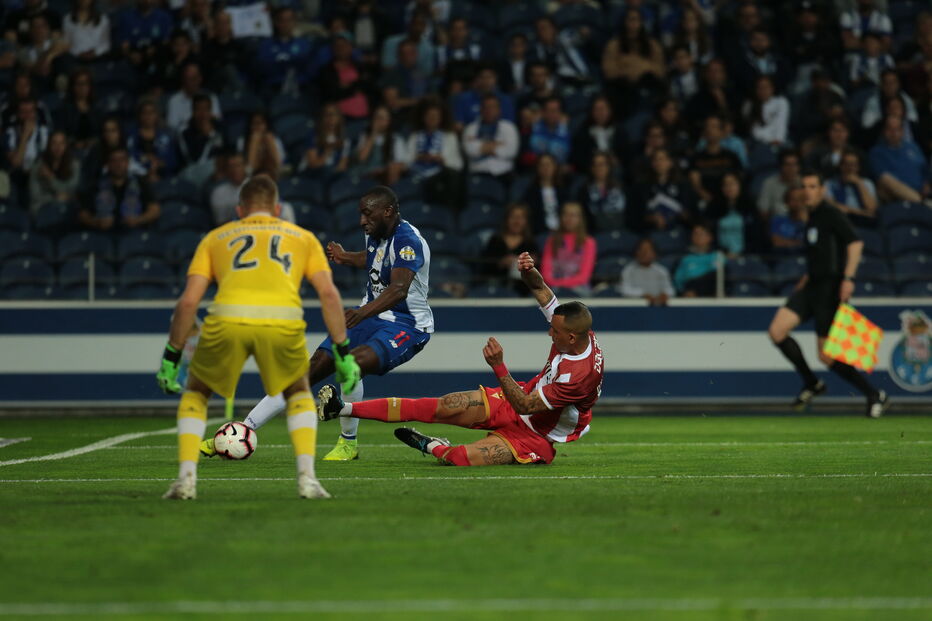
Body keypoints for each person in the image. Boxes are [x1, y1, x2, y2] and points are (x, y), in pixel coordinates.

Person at [156, 174, 361, 500]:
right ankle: (307, 479)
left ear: (240, 210)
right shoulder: (303, 238)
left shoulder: (216, 238)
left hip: (227, 319)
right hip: (282, 321)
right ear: (277, 209)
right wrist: (343, 353)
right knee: (298, 393)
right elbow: (329, 295)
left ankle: (185, 480)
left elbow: (188, 302)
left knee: (196, 394)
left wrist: (171, 356)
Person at [317, 251, 603, 467]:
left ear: (571, 338)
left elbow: (526, 406)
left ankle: (434, 446)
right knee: (441, 406)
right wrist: (529, 271)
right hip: (519, 398)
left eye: (555, 332)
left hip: (536, 434)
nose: (550, 332)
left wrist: (498, 366)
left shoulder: (578, 376)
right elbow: (541, 290)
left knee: (459, 458)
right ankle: (341, 408)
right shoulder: (576, 331)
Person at [212, 186, 434, 463]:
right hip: (372, 317)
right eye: (360, 214)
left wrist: (362, 313)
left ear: (388, 211)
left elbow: (399, 288)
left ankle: (348, 442)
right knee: (310, 369)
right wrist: (346, 257)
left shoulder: (408, 240)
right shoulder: (376, 234)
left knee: (351, 364)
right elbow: (375, 260)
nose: (362, 221)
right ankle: (242, 429)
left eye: (367, 214)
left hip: (406, 324)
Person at [767, 170, 888, 418]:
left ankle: (874, 394)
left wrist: (848, 278)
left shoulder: (831, 213)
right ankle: (812, 382)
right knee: (777, 331)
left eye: (813, 186)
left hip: (829, 289)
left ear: (822, 190)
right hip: (811, 286)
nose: (807, 191)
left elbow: (855, 243)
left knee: (826, 355)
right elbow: (821, 253)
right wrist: (807, 276)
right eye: (804, 186)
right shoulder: (812, 217)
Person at [78, 146, 160, 231]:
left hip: (133, 233)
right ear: (107, 164)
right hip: (102, 234)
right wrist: (96, 222)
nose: (118, 164)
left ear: (128, 162)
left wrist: (138, 220)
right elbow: (83, 215)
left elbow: (155, 210)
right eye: (114, 160)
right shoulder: (96, 185)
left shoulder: (140, 182)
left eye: (122, 160)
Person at [868, 115, 931, 204]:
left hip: (924, 193)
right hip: (900, 199)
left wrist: (926, 183)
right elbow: (884, 180)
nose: (894, 133)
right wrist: (917, 198)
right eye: (890, 129)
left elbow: (925, 170)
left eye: (897, 129)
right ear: (884, 131)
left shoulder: (913, 147)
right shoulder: (877, 153)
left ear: (902, 131)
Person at [481, 203, 539, 294]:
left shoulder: (530, 243)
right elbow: (484, 268)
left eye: (521, 217)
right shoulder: (495, 241)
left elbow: (537, 274)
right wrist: (501, 263)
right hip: (496, 288)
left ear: (526, 221)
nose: (517, 221)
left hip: (523, 291)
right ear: (506, 219)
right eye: (513, 217)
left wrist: (530, 264)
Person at [540, 202, 597, 294]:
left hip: (579, 290)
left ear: (580, 219)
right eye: (566, 214)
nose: (569, 219)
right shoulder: (552, 241)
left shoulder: (588, 242)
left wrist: (561, 285)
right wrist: (557, 285)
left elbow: (584, 276)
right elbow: (546, 273)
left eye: (573, 215)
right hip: (554, 289)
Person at [461, 94, 519, 179]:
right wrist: (497, 145)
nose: (489, 110)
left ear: (499, 110)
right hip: (478, 174)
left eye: (493, 107)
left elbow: (511, 151)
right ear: (481, 109)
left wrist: (481, 146)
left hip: (504, 175)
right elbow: (469, 150)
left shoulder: (509, 127)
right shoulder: (470, 128)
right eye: (486, 107)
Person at [29, 130, 80, 215]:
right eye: (54, 143)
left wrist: (51, 178)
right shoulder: (39, 166)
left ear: (66, 145)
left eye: (61, 143)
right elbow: (35, 196)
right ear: (48, 145)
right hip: (42, 207)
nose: (58, 147)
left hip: (66, 206)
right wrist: (55, 198)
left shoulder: (74, 165)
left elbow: (71, 192)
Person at [126, 97, 177, 182]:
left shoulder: (166, 136)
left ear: (156, 115)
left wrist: (159, 163)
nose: (148, 116)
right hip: (137, 176)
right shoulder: (131, 135)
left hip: (163, 176)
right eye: (144, 113)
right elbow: (129, 155)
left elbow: (172, 161)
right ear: (139, 115)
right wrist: (147, 161)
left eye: (151, 112)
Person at [824, 150, 878, 223]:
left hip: (864, 223)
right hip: (840, 221)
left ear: (858, 167)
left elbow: (872, 209)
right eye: (846, 164)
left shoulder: (867, 183)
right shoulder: (830, 184)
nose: (850, 168)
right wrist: (861, 213)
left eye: (853, 165)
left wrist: (859, 183)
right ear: (840, 166)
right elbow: (832, 208)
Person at [621, 238, 675, 305]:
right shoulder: (629, 270)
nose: (644, 253)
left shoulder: (661, 270)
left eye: (648, 250)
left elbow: (670, 289)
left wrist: (665, 294)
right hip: (636, 306)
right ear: (636, 252)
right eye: (641, 250)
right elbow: (625, 290)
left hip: (658, 306)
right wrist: (642, 294)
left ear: (655, 253)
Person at [673, 222, 720, 297]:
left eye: (701, 234)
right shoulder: (684, 258)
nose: (698, 237)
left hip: (711, 296)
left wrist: (694, 288)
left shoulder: (717, 256)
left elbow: (716, 278)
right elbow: (677, 281)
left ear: (710, 237)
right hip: (688, 297)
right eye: (695, 234)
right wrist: (684, 292)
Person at [757, 149, 801, 219]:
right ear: (781, 166)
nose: (791, 168)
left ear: (798, 167)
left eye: (794, 164)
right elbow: (763, 211)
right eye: (787, 165)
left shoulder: (803, 182)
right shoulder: (769, 183)